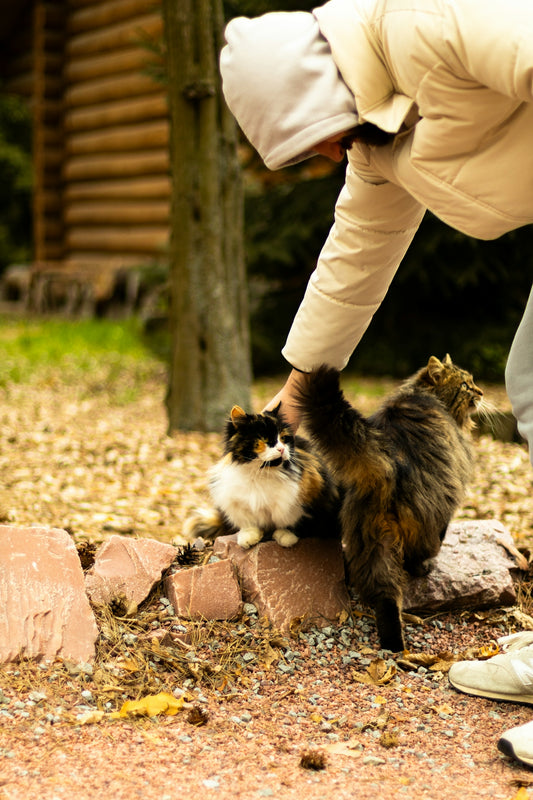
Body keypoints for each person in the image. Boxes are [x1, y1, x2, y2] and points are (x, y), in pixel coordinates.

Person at [220, 0, 533, 767]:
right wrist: (296, 398)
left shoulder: (428, 21)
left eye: (312, 142)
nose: (324, 159)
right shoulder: (377, 141)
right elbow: (354, 260)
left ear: (324, 92)